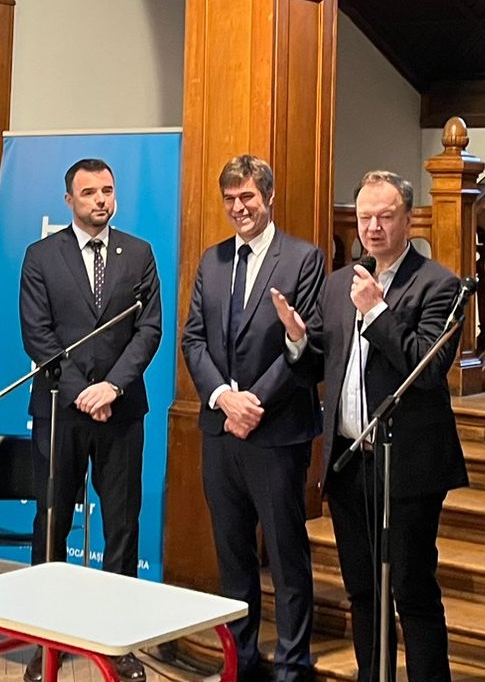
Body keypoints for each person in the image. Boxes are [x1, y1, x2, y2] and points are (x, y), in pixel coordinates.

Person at [271, 171, 468, 682]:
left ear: (409, 220)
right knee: (363, 590)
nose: (373, 228)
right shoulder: (340, 283)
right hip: (349, 460)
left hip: (406, 465)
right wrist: (297, 339)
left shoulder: (438, 284)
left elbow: (427, 368)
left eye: (385, 217)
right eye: (364, 218)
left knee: (411, 588)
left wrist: (378, 312)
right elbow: (320, 365)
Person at [18, 158, 162, 682]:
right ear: (69, 201)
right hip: (61, 409)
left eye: (107, 190)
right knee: (52, 522)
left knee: (121, 524)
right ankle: (46, 642)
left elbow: (149, 328)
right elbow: (38, 333)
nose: (100, 200)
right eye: (89, 193)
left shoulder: (139, 253)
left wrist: (112, 386)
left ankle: (117, 642)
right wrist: (83, 392)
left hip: (121, 410)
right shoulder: (41, 255)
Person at [182, 155, 324, 682]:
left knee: (285, 555)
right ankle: (239, 660)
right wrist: (224, 398)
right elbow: (193, 339)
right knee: (233, 554)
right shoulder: (213, 259)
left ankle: (292, 662)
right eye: (230, 199)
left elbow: (306, 344)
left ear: (269, 198)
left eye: (247, 197)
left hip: (277, 432)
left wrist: (253, 404)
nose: (238, 208)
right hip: (221, 431)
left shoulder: (303, 259)